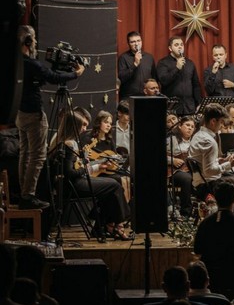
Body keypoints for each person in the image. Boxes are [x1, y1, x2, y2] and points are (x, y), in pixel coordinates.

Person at [15, 25, 84, 209]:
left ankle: (23, 193)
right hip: (33, 115)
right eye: (34, 39)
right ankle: (28, 196)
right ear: (28, 41)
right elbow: (53, 77)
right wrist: (76, 73)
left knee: (25, 153)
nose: (36, 42)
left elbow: (42, 77)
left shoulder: (16, 62)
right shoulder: (31, 63)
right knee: (37, 156)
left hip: (20, 114)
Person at [48, 111, 131, 240]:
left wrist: (88, 166)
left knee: (110, 189)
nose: (84, 129)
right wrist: (86, 169)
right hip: (74, 185)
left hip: (72, 183)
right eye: (82, 125)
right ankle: (118, 224)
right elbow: (70, 173)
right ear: (74, 126)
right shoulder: (69, 144)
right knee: (114, 185)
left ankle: (102, 227)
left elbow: (73, 168)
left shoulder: (65, 141)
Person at [157, 36, 201, 115]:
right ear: (170, 48)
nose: (180, 47)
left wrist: (198, 103)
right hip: (172, 107)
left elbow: (196, 85)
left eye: (181, 45)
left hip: (189, 107)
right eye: (176, 45)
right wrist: (177, 68)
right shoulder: (163, 63)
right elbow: (163, 81)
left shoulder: (190, 63)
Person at [166, 115, 196, 217]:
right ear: (180, 126)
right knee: (186, 178)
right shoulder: (172, 139)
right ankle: (186, 211)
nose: (190, 128)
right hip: (175, 170)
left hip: (191, 169)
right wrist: (172, 160)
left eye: (192, 126)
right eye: (187, 125)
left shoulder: (195, 141)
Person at [118, 30, 158, 99]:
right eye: (133, 42)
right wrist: (135, 64)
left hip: (147, 96)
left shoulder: (149, 57)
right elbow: (122, 78)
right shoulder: (123, 58)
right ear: (128, 44)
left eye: (138, 41)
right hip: (129, 97)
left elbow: (153, 78)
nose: (136, 44)